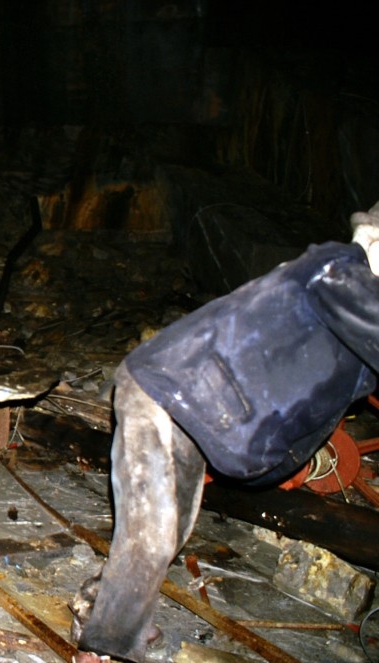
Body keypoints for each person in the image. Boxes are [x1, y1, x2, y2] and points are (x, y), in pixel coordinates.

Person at [70, 203, 379, 663]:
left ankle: (101, 608)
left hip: (197, 412)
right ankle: (106, 649)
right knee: (151, 536)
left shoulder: (349, 300)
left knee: (169, 529)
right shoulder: (337, 269)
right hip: (164, 390)